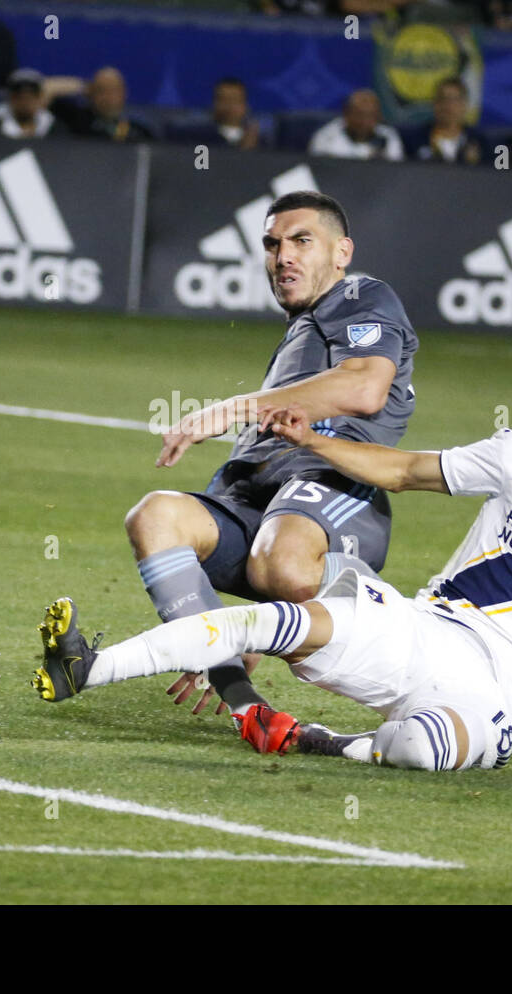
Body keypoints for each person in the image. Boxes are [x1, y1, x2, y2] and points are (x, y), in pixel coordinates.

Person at [33, 362, 512, 786]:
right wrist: (314, 440)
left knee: (418, 749)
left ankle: (326, 743)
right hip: (421, 629)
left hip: (495, 692)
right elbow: (405, 471)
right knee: (274, 620)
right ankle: (84, 669)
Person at [119, 189, 417, 733]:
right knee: (154, 515)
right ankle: (239, 694)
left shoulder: (361, 295)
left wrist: (232, 408)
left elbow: (366, 387)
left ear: (342, 252)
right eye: (273, 244)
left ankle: (414, 670)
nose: (284, 257)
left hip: (335, 487)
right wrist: (229, 623)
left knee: (278, 561)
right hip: (257, 495)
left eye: (303, 241)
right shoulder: (303, 333)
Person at [48, 66, 153, 142]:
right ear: (91, 93)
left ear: (124, 93)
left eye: (114, 90)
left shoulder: (138, 130)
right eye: (102, 90)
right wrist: (82, 86)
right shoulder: (78, 119)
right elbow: (46, 90)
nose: (108, 97)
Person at [308, 89, 404, 160]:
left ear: (379, 117)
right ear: (346, 114)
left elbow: (397, 172)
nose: (365, 121)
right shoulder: (326, 138)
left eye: (371, 115)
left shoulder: (388, 137)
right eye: (359, 115)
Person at [412, 75, 485, 165]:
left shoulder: (480, 142)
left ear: (464, 105)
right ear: (434, 103)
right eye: (442, 98)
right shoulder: (415, 140)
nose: (447, 105)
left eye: (454, 100)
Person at [171, 77, 262, 150]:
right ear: (214, 103)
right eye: (223, 99)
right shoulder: (199, 139)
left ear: (245, 105)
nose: (229, 106)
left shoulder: (261, 143)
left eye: (235, 100)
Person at [0, 67, 57, 137]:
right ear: (11, 99)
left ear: (39, 99)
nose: (25, 103)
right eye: (20, 98)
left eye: (30, 98)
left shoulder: (52, 126)